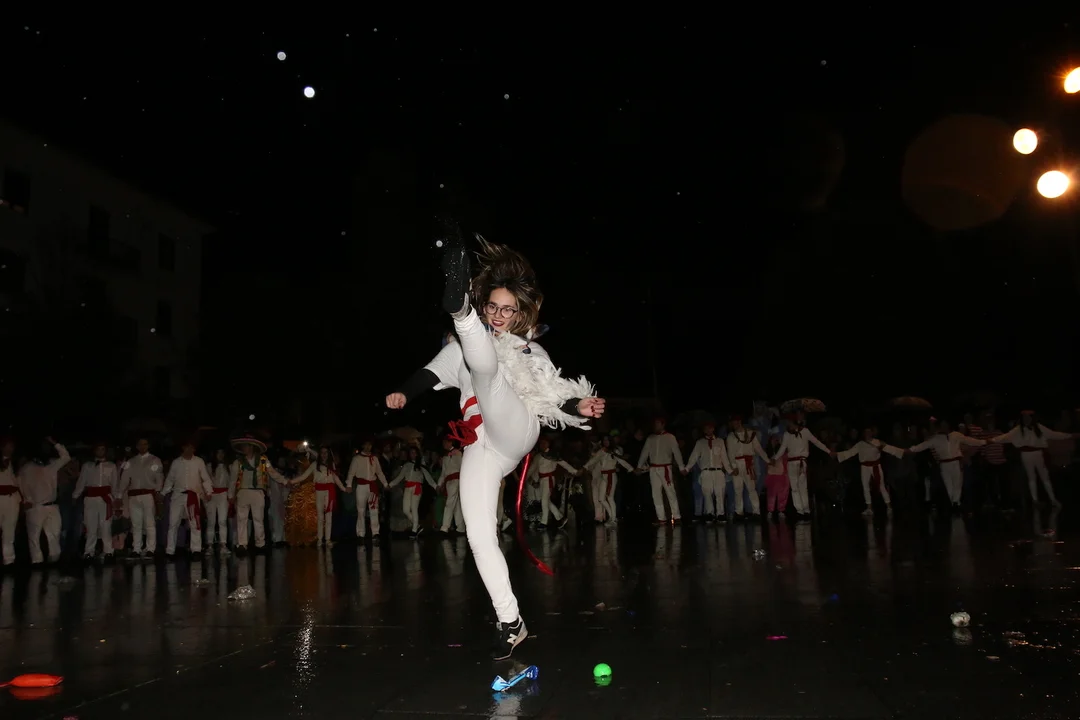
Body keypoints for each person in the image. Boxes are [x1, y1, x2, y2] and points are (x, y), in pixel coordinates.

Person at [386, 230, 603, 660]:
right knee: (479, 536)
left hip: (515, 427)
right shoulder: (458, 353)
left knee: (485, 372)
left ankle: (458, 310)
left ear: (519, 313)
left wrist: (578, 405)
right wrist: (404, 394)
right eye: (493, 307)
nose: (501, 315)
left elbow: (552, 393)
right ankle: (511, 621)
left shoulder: (529, 350)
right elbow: (428, 374)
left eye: (508, 309)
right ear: (486, 305)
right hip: (480, 445)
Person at [990, 411, 1079, 508]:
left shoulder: (1038, 428)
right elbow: (1005, 438)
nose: (1027, 419)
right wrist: (990, 440)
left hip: (1037, 454)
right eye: (1025, 418)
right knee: (1031, 477)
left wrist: (1070, 436)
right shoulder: (1018, 430)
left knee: (1044, 477)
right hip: (1026, 455)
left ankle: (1051, 499)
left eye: (1028, 417)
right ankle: (1035, 500)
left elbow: (1053, 435)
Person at [230, 436, 289, 552]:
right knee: (242, 519)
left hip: (258, 492)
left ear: (252, 447)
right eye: (243, 446)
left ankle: (260, 544)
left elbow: (273, 473)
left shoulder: (263, 461)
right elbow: (233, 480)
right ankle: (242, 544)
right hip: (243, 491)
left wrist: (285, 481)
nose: (244, 448)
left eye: (246, 446)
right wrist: (230, 495)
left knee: (258, 518)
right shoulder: (238, 462)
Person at [17, 438, 70, 565]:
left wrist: (55, 443)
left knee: (54, 535)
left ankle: (54, 560)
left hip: (52, 505)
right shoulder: (27, 468)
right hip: (35, 506)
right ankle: (37, 562)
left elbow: (66, 457)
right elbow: (19, 484)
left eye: (47, 447)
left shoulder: (52, 464)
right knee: (34, 537)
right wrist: (26, 500)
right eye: (43, 447)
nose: (45, 450)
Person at [836, 426, 905, 515]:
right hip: (864, 467)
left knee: (881, 486)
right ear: (864, 434)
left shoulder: (878, 442)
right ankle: (869, 508)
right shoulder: (860, 444)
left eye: (869, 432)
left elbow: (889, 448)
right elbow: (850, 452)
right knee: (865, 487)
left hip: (876, 466)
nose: (868, 434)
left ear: (872, 433)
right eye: (866, 432)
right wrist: (837, 455)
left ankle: (889, 507)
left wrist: (902, 452)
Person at [163, 440, 213, 557]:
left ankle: (196, 550)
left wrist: (208, 491)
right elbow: (170, 479)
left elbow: (205, 478)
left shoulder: (199, 461)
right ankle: (170, 550)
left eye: (192, 448)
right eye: (188, 447)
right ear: (183, 448)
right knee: (173, 523)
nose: (190, 450)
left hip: (193, 495)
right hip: (178, 495)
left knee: (195, 523)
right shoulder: (176, 462)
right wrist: (163, 492)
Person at [73, 441, 120, 561]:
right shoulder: (87, 465)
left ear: (105, 451)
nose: (100, 451)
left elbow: (115, 484)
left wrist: (116, 499)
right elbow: (81, 481)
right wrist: (75, 496)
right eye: (98, 449)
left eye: (102, 449)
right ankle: (89, 551)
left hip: (105, 498)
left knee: (106, 525)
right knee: (90, 526)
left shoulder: (111, 466)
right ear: (94, 451)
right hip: (90, 498)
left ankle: (108, 551)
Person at [291, 444, 347, 546]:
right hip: (319, 491)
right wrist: (291, 481)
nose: (324, 455)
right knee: (320, 516)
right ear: (320, 454)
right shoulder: (315, 464)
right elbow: (304, 476)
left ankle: (328, 539)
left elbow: (336, 478)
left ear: (328, 454)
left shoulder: (331, 464)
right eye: (322, 453)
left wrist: (344, 488)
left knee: (329, 516)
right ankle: (320, 539)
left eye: (326, 453)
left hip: (329, 491)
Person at [118, 437, 164, 558]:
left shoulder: (154, 460)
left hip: (148, 494)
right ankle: (136, 548)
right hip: (133, 495)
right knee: (136, 524)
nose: (143, 447)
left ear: (148, 446)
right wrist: (119, 495)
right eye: (140, 444)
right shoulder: (131, 462)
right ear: (137, 446)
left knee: (149, 522)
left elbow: (159, 477)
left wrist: (158, 491)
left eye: (145, 444)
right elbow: (124, 480)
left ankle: (150, 548)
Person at [685, 421, 733, 523]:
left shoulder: (719, 441)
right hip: (706, 471)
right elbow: (694, 456)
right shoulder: (700, 443)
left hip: (718, 470)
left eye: (710, 428)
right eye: (706, 428)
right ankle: (710, 513)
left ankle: (720, 514)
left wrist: (729, 470)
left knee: (720, 492)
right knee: (707, 493)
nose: (708, 430)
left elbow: (724, 457)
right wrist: (687, 468)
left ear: (713, 429)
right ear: (704, 430)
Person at [345, 439, 388, 544]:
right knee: (361, 510)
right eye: (366, 444)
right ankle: (361, 533)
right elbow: (351, 473)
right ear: (363, 445)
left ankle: (375, 532)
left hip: (372, 486)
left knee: (374, 509)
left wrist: (385, 484)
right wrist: (349, 485)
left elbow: (379, 472)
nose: (368, 447)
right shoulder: (357, 459)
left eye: (370, 445)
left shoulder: (374, 458)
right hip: (361, 486)